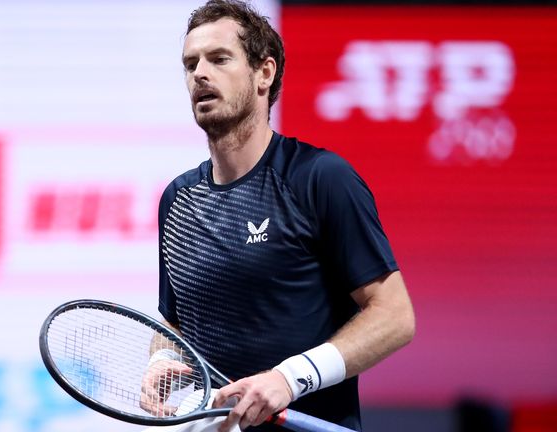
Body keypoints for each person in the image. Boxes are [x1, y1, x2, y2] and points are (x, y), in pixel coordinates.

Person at [144, 1, 416, 431]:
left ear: (264, 74)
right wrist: (163, 358)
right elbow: (176, 320)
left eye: (219, 59)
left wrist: (288, 379)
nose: (199, 74)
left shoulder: (319, 178)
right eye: (190, 63)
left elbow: (395, 316)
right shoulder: (177, 201)